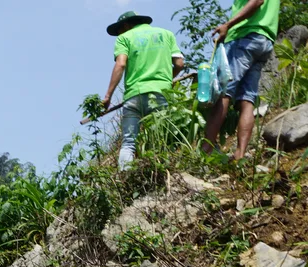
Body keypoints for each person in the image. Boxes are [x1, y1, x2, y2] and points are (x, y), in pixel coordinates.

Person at [103, 11, 186, 170]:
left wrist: (108, 96)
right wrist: (168, 80)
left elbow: (120, 64)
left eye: (119, 30)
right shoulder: (166, 34)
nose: (119, 34)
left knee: (128, 142)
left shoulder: (125, 38)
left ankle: (124, 178)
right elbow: (180, 64)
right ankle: (163, 173)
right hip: (161, 93)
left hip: (134, 96)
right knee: (164, 138)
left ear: (126, 25)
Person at [203, 0, 279, 161]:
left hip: (244, 37)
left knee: (224, 93)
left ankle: (206, 149)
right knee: (247, 99)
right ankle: (240, 154)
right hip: (264, 40)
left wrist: (228, 25)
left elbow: (257, 1)